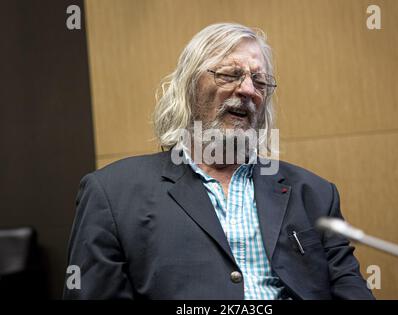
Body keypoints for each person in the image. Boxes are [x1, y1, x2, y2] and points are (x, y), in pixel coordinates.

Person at [63, 23, 374, 300]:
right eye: (230, 74)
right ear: (189, 87)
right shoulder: (112, 194)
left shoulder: (315, 195)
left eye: (260, 81)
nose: (248, 90)